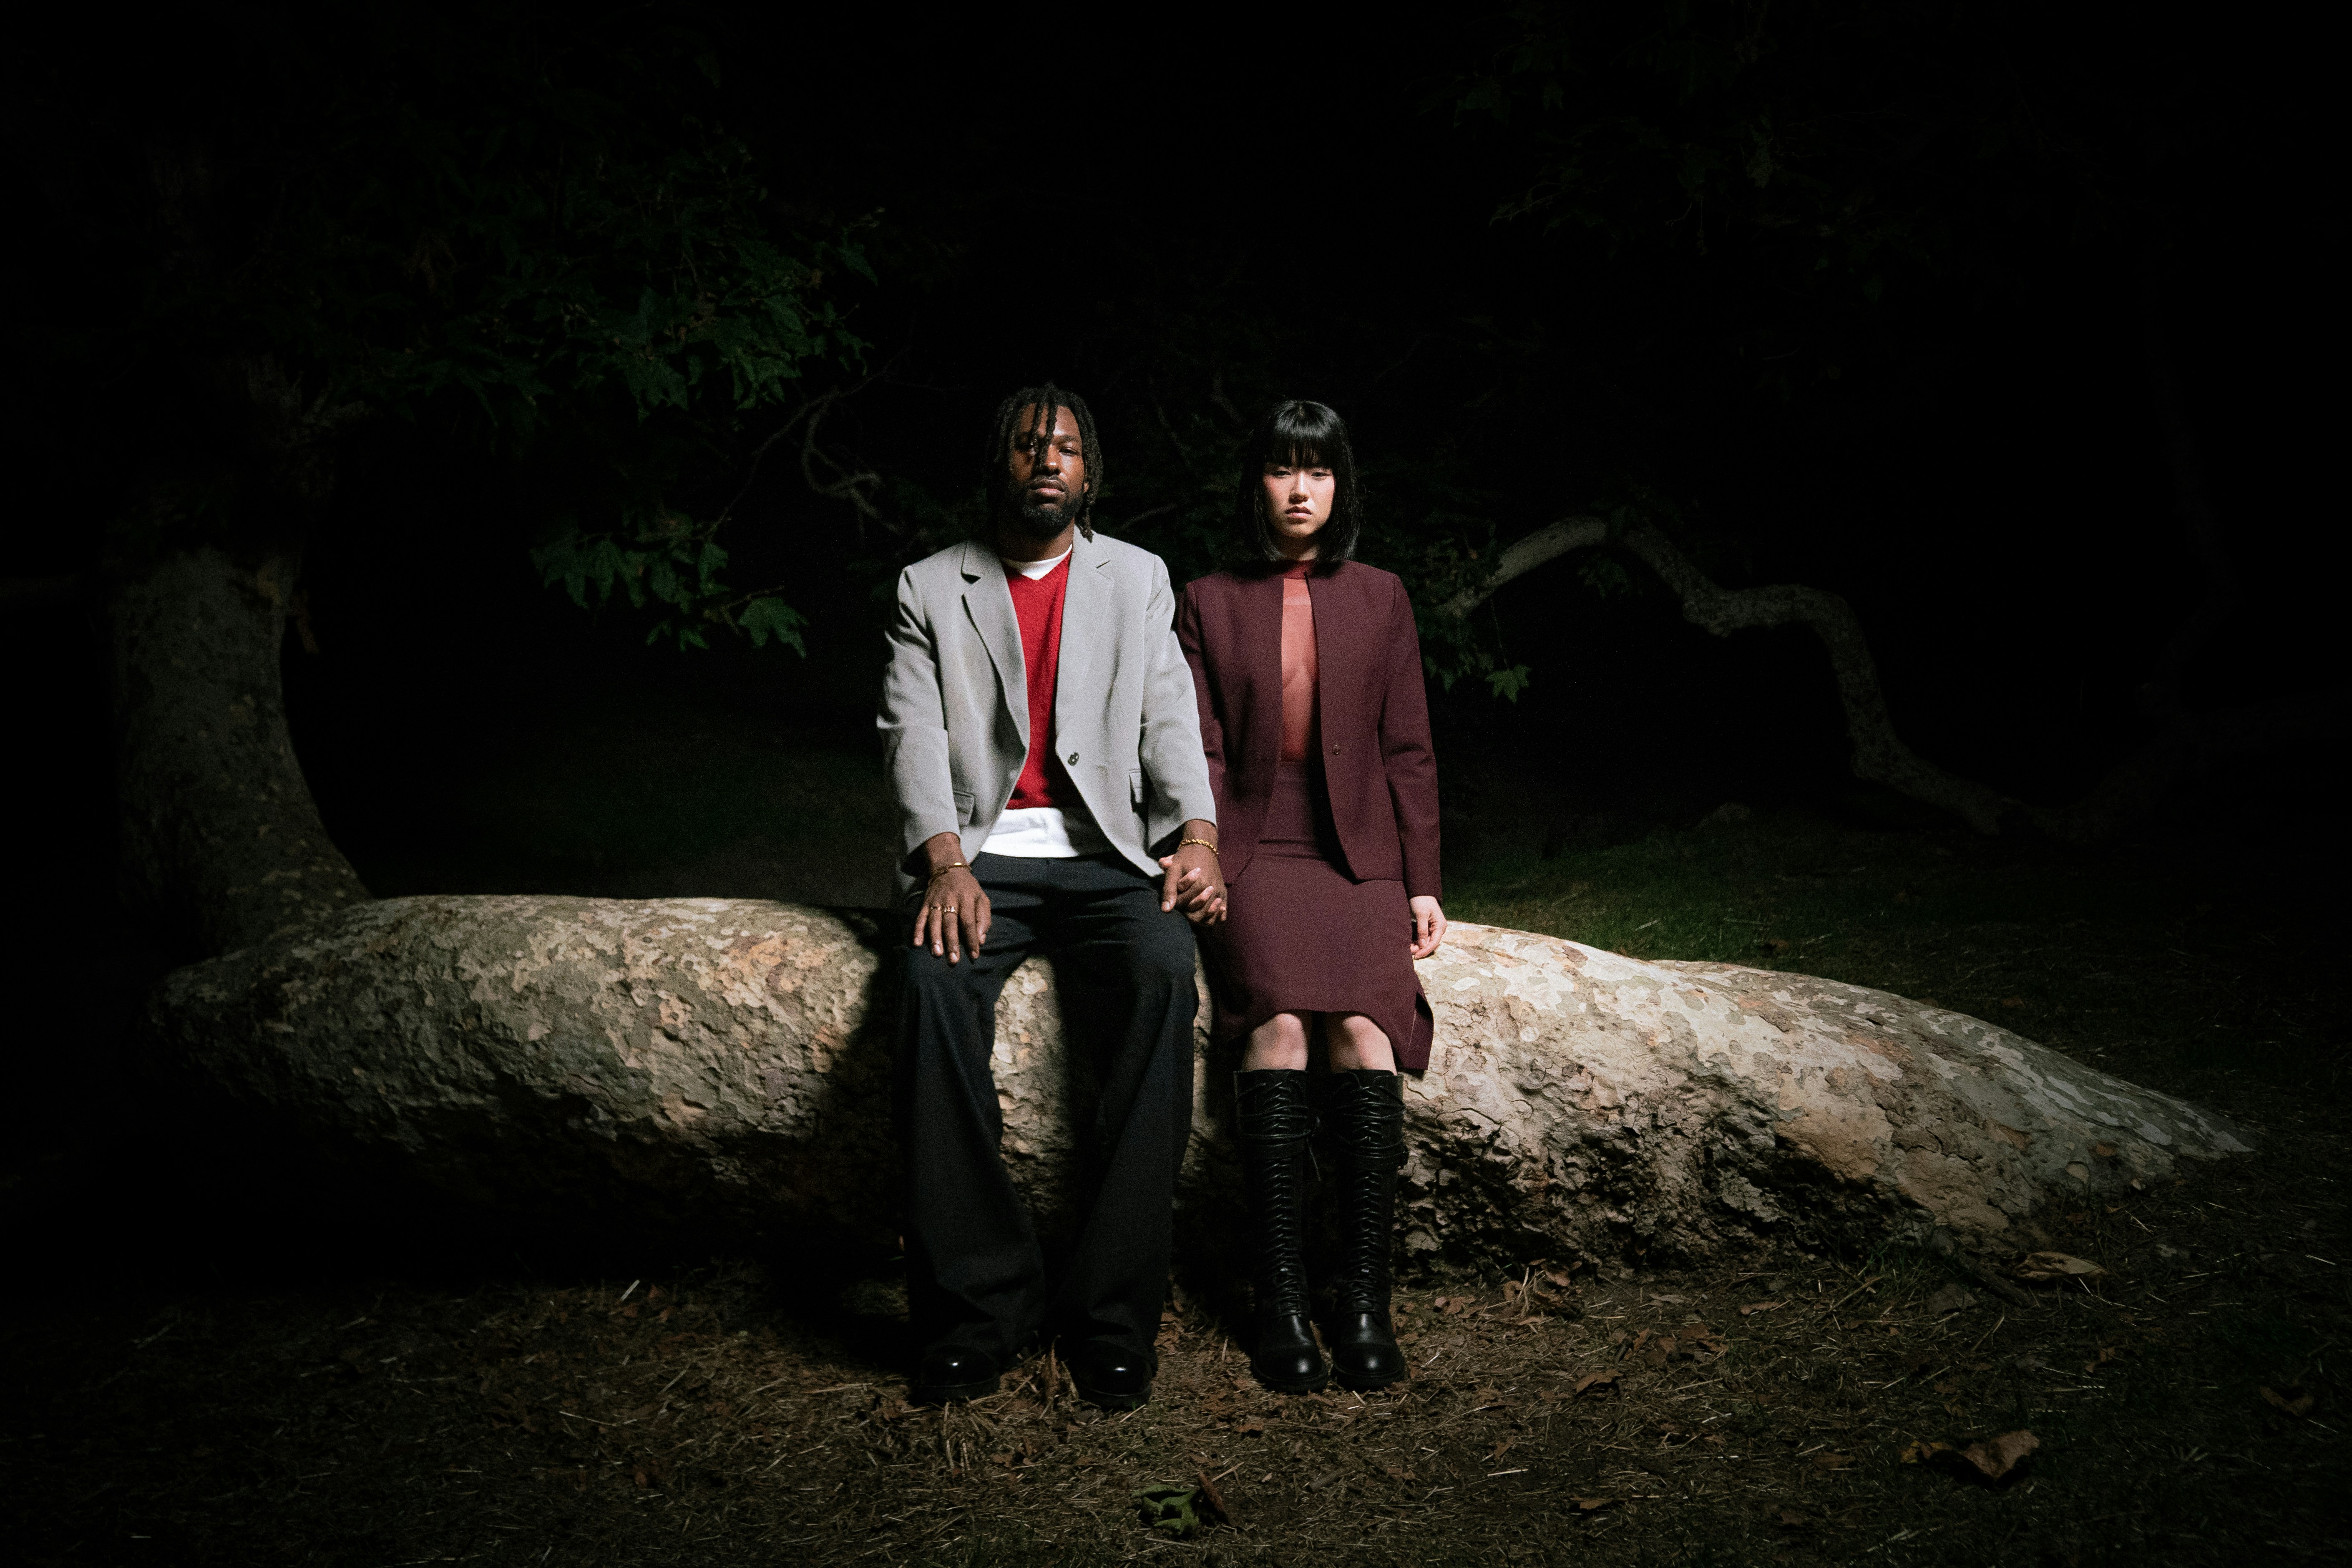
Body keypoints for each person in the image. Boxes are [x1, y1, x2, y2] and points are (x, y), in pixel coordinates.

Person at [880, 383, 1227, 1410]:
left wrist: (1197, 838)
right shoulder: (930, 585)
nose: (1047, 460)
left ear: (1089, 474)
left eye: (1066, 448)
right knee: (928, 987)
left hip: (1106, 853)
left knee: (1166, 978)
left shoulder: (1139, 578)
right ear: (1000, 463)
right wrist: (944, 859)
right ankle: (977, 1310)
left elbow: (1171, 715)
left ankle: (1112, 1316)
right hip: (980, 853)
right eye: (1029, 444)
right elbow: (913, 732)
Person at [1175, 399, 1446, 1394]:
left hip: (1356, 852)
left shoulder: (1382, 596)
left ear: (1342, 486)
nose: (1300, 490)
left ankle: (1363, 1300)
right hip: (1253, 847)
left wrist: (1422, 881)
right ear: (1258, 483)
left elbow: (1409, 748)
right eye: (1284, 470)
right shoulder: (1206, 598)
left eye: (1319, 471)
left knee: (1367, 1033)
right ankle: (1279, 1298)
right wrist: (1200, 849)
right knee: (1279, 1026)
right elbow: (1193, 746)